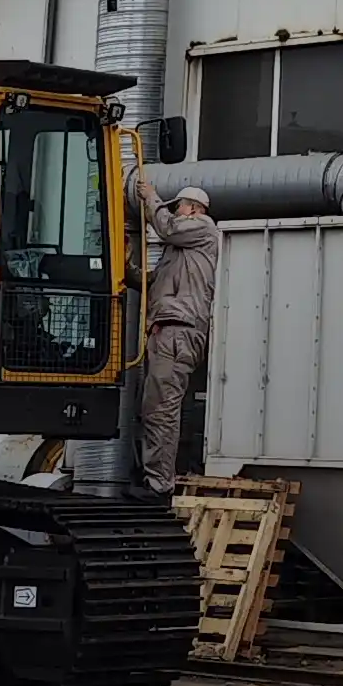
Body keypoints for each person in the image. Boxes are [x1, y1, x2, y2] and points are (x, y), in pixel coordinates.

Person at [137, 182, 219, 490]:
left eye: (179, 207)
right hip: (169, 329)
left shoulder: (202, 227)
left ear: (194, 209)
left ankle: (159, 485)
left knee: (162, 409)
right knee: (154, 408)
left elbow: (168, 227)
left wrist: (150, 198)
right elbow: (153, 283)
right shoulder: (180, 251)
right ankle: (155, 479)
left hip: (178, 331)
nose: (175, 212)